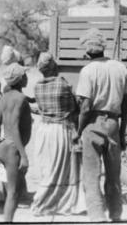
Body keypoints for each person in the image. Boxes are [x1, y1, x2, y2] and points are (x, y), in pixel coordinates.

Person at [75, 28, 127, 222]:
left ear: (87, 51)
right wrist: (123, 131)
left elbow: (84, 108)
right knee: (114, 176)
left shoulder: (87, 71)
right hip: (113, 124)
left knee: (91, 176)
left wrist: (78, 131)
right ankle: (116, 216)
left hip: (93, 123)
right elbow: (126, 105)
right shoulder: (120, 68)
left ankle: (97, 217)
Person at [30, 52, 86, 216]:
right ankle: (55, 202)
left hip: (44, 130)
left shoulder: (37, 86)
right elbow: (73, 108)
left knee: (48, 168)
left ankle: (46, 201)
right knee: (62, 168)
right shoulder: (63, 85)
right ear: (54, 67)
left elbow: (41, 109)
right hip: (60, 130)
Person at [0, 63, 32, 222]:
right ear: (20, 79)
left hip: (2, 147)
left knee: (14, 188)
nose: (27, 77)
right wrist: (23, 155)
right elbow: (15, 127)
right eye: (25, 75)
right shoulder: (20, 98)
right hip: (12, 149)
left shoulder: (4, 97)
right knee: (13, 193)